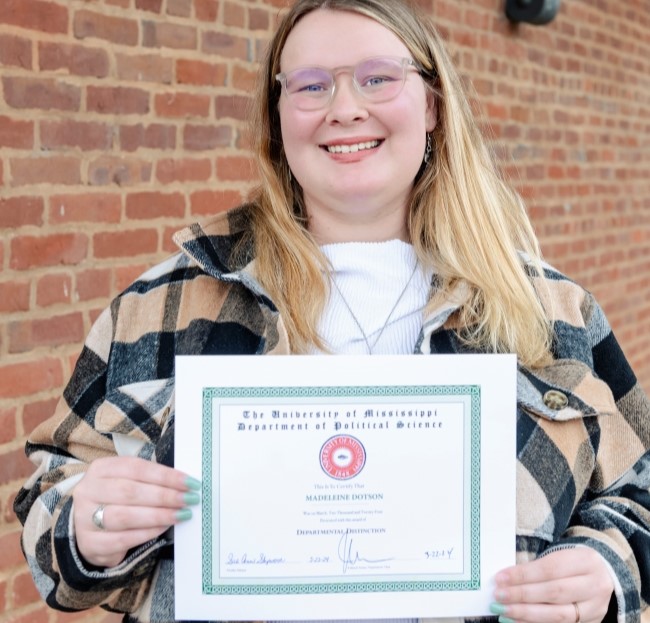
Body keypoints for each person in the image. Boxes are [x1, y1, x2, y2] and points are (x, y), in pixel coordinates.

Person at [14, 0, 650, 622]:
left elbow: (637, 489)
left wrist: (604, 568)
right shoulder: (162, 305)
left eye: (378, 77)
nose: (345, 109)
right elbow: (52, 496)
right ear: (279, 116)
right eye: (311, 85)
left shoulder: (551, 311)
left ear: (431, 103)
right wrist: (84, 523)